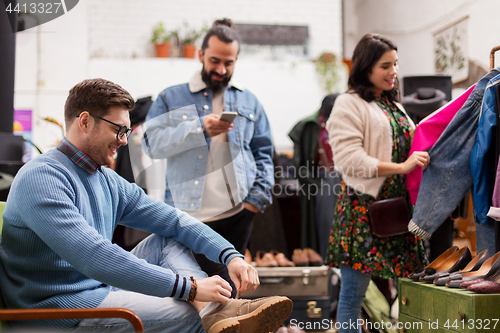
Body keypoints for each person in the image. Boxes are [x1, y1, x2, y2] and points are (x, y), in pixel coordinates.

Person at [0, 78, 292, 333]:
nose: (124, 141)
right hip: (58, 313)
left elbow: (175, 221)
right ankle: (212, 314)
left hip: (97, 291)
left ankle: (214, 312)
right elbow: (96, 257)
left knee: (169, 239)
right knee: (190, 318)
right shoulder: (42, 177)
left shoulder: (105, 180)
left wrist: (231, 256)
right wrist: (189, 288)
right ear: (85, 121)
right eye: (119, 130)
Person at [143, 18, 274, 297]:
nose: (221, 69)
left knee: (231, 291)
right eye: (215, 60)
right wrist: (198, 128)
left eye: (229, 63)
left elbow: (263, 151)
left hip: (239, 212)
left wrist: (255, 201)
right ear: (200, 55)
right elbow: (151, 144)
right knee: (195, 291)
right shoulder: (171, 97)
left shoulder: (249, 101)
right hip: (189, 215)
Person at [324, 34, 429, 333]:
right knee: (352, 299)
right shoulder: (348, 104)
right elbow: (347, 160)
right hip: (362, 213)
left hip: (400, 211)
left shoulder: (392, 104)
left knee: (412, 295)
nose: (393, 71)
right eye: (385, 65)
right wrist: (401, 167)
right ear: (366, 67)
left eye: (395, 64)